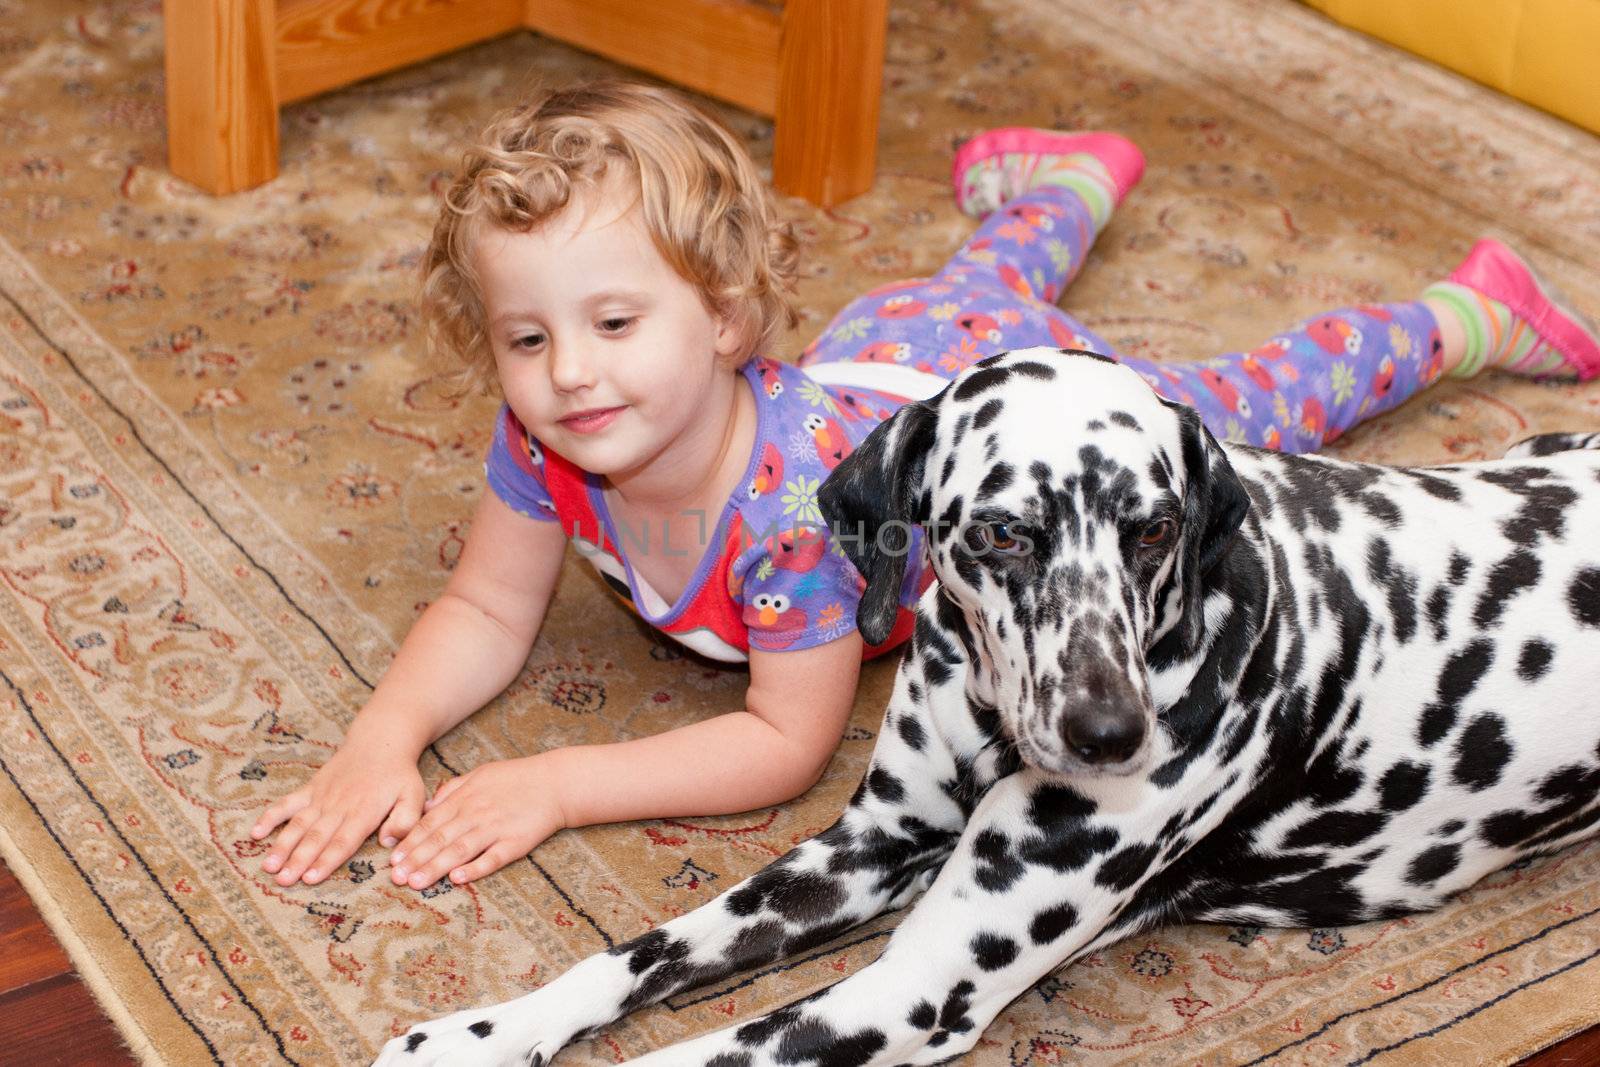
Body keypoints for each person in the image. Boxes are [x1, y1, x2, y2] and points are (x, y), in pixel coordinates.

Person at [250, 82, 1600, 893]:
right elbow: (485, 610)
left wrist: (557, 784)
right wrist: (382, 741)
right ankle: (1071, 174)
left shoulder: (796, 530)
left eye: (615, 323)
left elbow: (784, 749)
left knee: (1252, 401)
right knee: (983, 283)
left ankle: (1461, 315)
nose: (568, 377)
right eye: (526, 337)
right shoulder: (540, 440)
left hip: (987, 396)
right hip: (897, 353)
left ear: (724, 321)